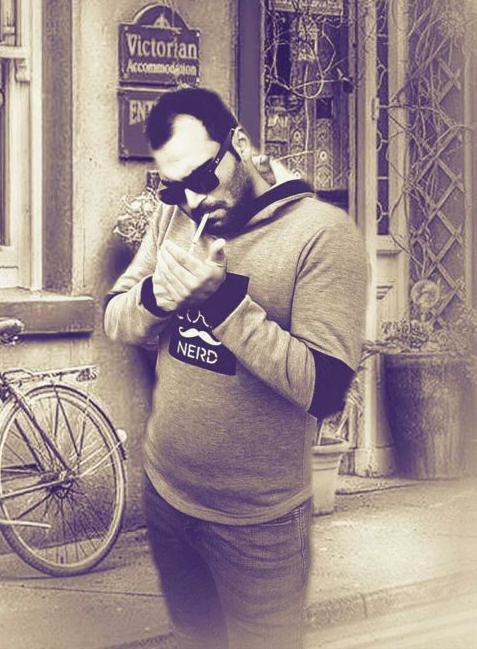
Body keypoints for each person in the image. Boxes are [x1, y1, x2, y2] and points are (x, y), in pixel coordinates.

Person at [104, 87, 367, 649]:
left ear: (240, 145)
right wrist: (157, 298)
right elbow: (116, 317)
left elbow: (325, 389)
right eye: (173, 186)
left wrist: (222, 302)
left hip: (259, 524)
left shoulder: (322, 235)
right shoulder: (175, 215)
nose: (192, 200)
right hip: (169, 495)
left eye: (202, 177)